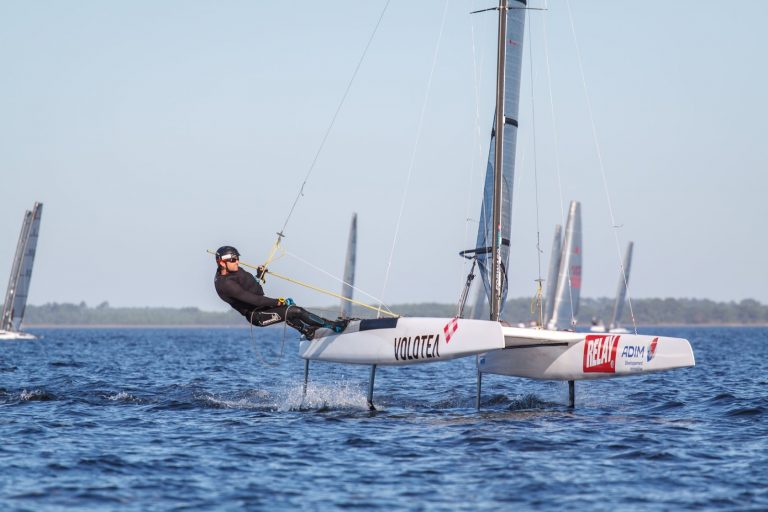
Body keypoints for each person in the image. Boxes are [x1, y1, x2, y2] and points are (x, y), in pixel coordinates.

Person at [213, 245, 347, 339]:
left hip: (263, 306)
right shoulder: (225, 284)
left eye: (237, 258)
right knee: (295, 311)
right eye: (233, 260)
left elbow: (250, 286)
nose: (237, 262)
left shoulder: (232, 271)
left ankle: (307, 331)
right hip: (258, 315)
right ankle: (333, 326)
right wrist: (279, 301)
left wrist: (259, 276)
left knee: (289, 310)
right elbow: (254, 300)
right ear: (222, 263)